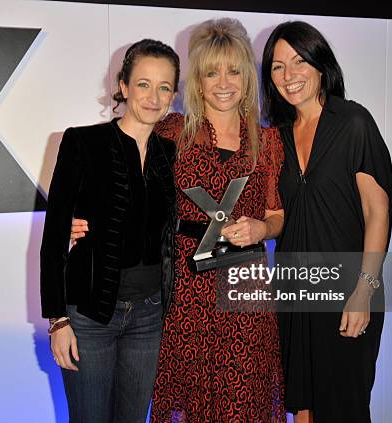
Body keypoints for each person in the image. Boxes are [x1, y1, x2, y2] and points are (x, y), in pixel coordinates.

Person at [71, 18, 286, 423]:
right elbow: (107, 160)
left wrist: (262, 228)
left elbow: (277, 215)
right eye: (211, 71)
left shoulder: (269, 141)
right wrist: (75, 213)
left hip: (245, 291)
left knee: (243, 400)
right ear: (197, 82)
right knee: (187, 401)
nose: (223, 82)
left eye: (234, 70)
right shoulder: (171, 131)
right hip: (182, 287)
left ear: (246, 78)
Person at [39, 39, 180, 423]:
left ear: (174, 94)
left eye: (164, 87)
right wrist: (58, 321)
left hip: (150, 316)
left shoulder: (171, 154)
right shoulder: (82, 142)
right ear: (123, 86)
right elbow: (53, 238)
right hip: (89, 316)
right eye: (144, 84)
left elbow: (178, 229)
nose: (153, 97)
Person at [261, 21, 392, 423]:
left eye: (299, 61)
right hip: (293, 290)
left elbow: (377, 212)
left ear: (321, 65)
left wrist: (364, 290)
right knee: (301, 405)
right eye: (277, 67)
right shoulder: (277, 137)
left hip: (347, 288)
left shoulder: (353, 121)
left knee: (344, 406)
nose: (289, 75)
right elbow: (278, 216)